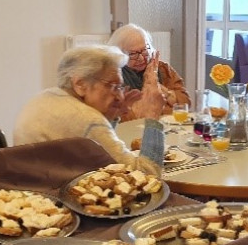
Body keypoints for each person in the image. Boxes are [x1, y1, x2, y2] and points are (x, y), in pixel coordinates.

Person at [13, 45, 166, 175]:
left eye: (120, 87)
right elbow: (146, 175)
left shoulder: (46, 97)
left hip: (29, 189)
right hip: (61, 201)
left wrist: (111, 116)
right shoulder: (86, 119)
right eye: (112, 86)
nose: (120, 96)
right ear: (80, 84)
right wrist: (152, 117)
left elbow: (101, 154)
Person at [107, 24, 190, 121]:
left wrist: (160, 88)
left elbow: (185, 103)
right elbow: (115, 117)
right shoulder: (113, 77)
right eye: (133, 54)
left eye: (145, 51)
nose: (141, 58)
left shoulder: (163, 69)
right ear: (119, 54)